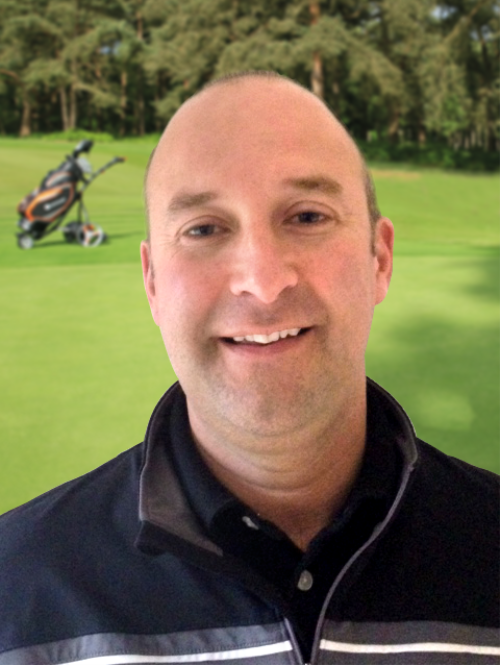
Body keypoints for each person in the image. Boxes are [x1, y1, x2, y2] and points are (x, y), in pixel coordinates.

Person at [1, 71, 500, 665]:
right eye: (204, 229)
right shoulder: (14, 589)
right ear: (152, 282)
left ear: (380, 258)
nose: (262, 282)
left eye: (307, 217)